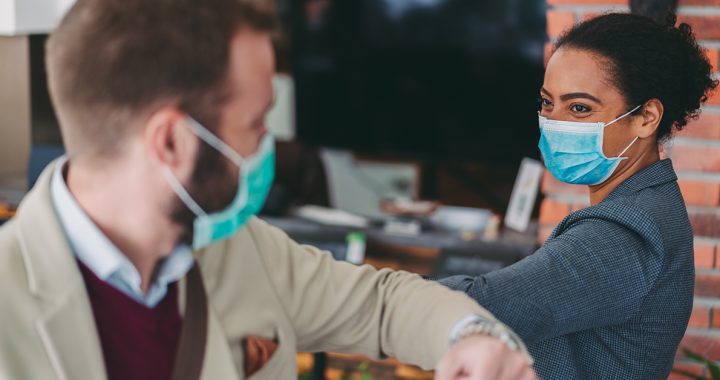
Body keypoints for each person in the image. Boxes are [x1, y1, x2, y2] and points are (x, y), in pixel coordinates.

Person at [0, 0, 538, 379]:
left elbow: (382, 305)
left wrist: (472, 336)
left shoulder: (243, 251)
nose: (271, 145)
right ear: (171, 142)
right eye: (256, 124)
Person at [441, 12, 718, 379]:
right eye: (547, 103)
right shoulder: (651, 202)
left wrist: (363, 294)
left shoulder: (627, 233)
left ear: (647, 117)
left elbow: (489, 304)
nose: (555, 121)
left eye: (580, 108)